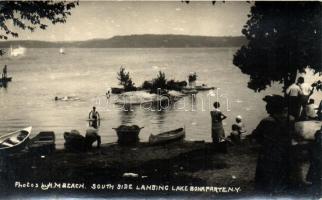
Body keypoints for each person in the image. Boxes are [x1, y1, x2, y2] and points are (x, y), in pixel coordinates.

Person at [252, 95, 295, 193]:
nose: (266, 107)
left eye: (268, 104)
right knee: (283, 176)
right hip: (286, 152)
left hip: (269, 153)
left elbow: (256, 135)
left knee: (267, 180)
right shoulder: (291, 119)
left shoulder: (267, 121)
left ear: (273, 107)